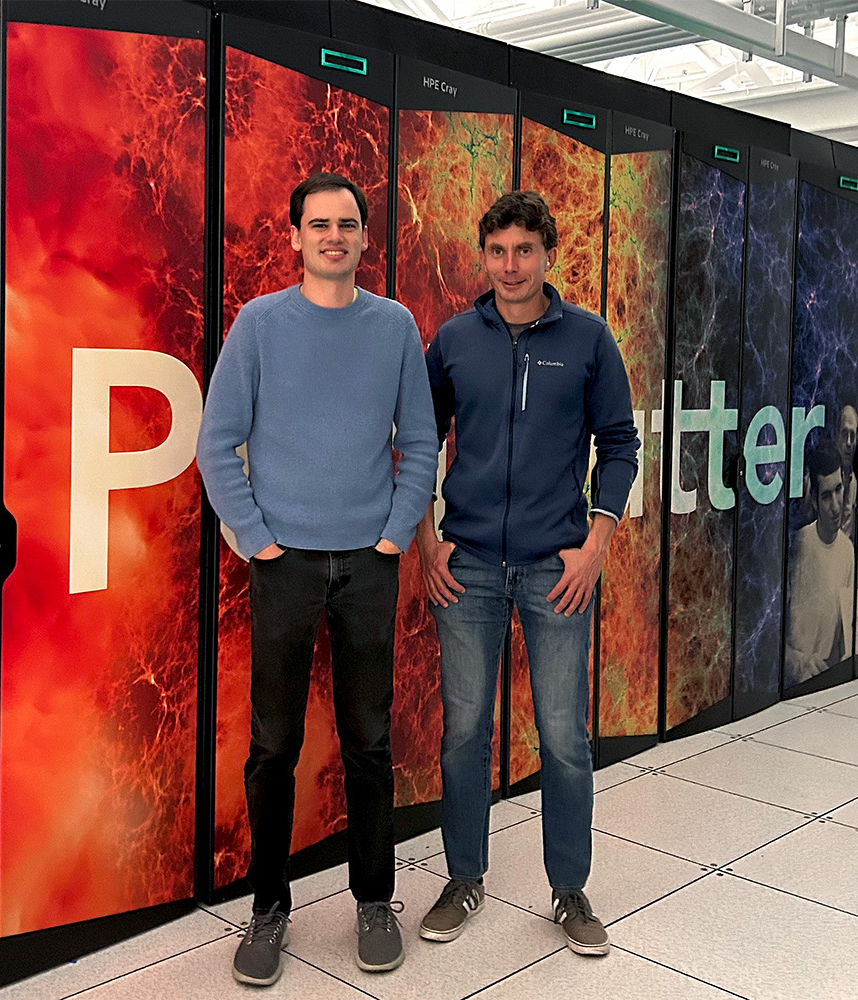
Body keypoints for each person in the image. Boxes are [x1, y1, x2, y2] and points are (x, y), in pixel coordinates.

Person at [197, 172, 438, 986]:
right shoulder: (261, 325)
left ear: (367, 238)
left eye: (348, 224)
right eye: (319, 224)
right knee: (274, 747)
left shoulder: (395, 326)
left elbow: (422, 444)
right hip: (286, 567)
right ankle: (268, 910)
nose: (334, 236)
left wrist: (395, 534)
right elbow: (216, 442)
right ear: (294, 236)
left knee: (369, 744)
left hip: (369, 567)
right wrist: (261, 541)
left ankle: (375, 901)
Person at [412, 191, 640, 956]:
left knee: (565, 740)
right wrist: (424, 539)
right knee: (464, 733)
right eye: (497, 251)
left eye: (525, 251)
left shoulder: (588, 340)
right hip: (467, 565)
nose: (510, 266)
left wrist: (597, 545)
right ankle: (464, 878)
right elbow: (415, 441)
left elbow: (619, 444)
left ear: (549, 255)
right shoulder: (452, 340)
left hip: (557, 569)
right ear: (483, 256)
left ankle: (569, 892)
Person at [785, 441, 855, 684]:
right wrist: (795, 663)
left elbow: (843, 634)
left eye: (839, 490)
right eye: (826, 496)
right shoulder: (797, 545)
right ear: (813, 499)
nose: (836, 505)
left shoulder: (848, 551)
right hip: (792, 683)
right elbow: (768, 635)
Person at [834, 403, 858, 535]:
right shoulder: (822, 482)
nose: (849, 442)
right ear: (837, 436)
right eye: (844, 434)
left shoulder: (856, 484)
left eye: (852, 435)